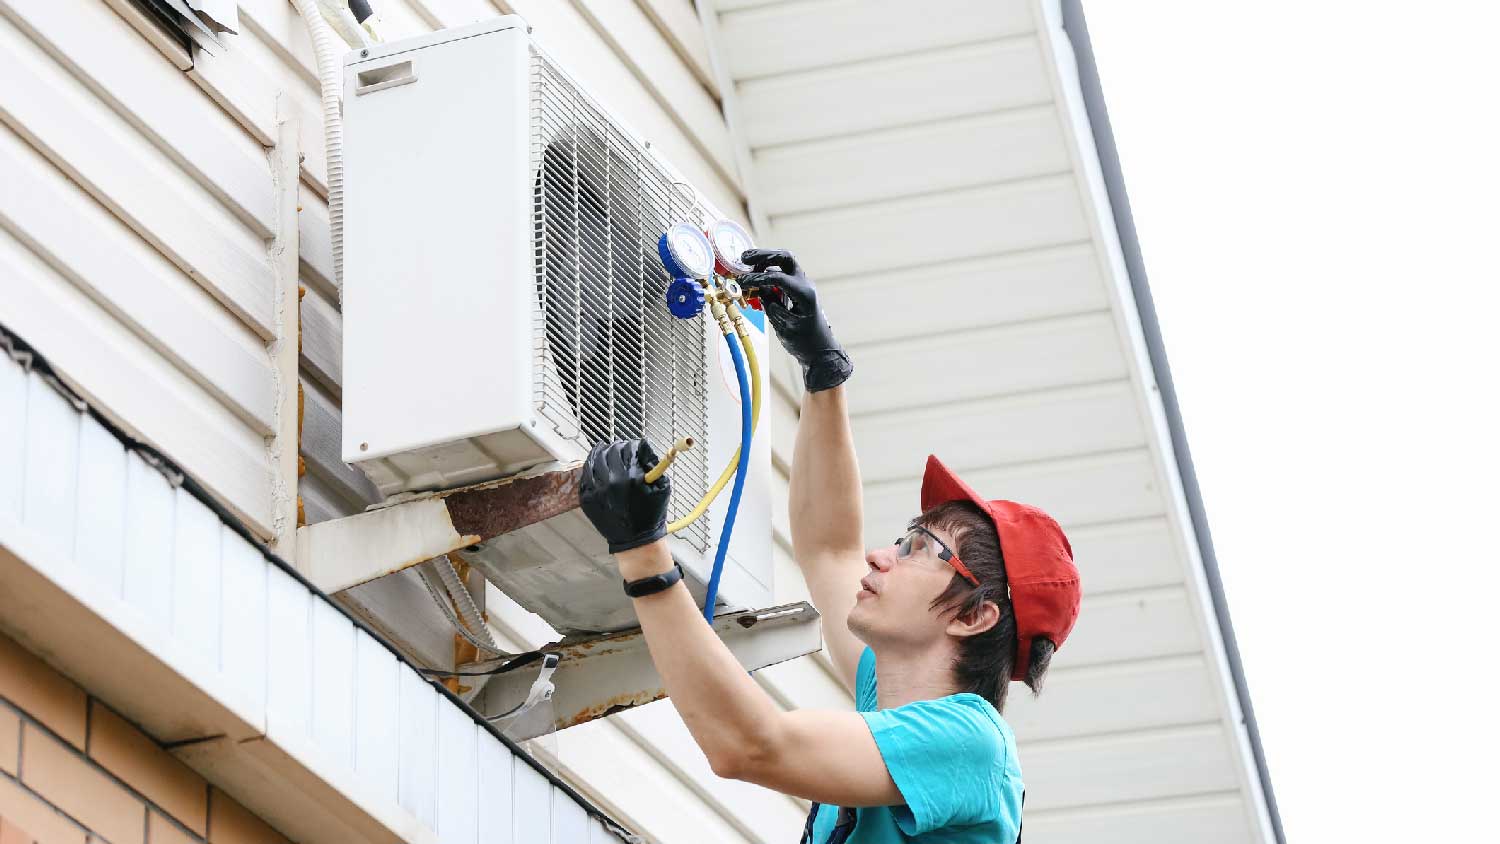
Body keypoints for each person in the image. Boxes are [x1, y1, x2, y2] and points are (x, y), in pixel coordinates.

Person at [579, 248, 1082, 843]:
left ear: (976, 616)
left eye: (921, 548)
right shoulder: (893, 696)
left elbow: (750, 745)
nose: (881, 556)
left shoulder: (974, 745)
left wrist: (643, 553)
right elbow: (830, 548)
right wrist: (822, 369)